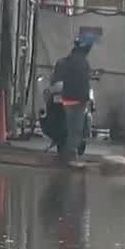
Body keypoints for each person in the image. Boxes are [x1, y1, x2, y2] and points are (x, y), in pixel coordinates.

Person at [49, 36, 93, 165]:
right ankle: (71, 155)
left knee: (71, 126)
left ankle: (68, 153)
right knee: (76, 128)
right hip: (79, 100)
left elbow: (56, 78)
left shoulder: (66, 61)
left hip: (68, 98)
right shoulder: (84, 63)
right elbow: (85, 84)